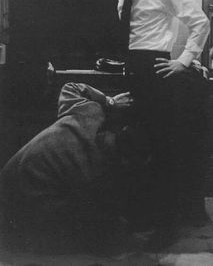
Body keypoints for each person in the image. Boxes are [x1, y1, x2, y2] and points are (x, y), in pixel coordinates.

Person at [106, 0, 210, 227]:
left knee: (162, 148)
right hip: (133, 71)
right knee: (136, 146)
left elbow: (200, 23)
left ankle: (167, 225)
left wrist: (184, 60)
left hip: (157, 71)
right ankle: (143, 217)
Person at [0, 82, 138, 253]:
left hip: (7, 185)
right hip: (17, 217)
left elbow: (71, 87)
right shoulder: (92, 173)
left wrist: (111, 103)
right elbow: (99, 218)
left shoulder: (87, 114)